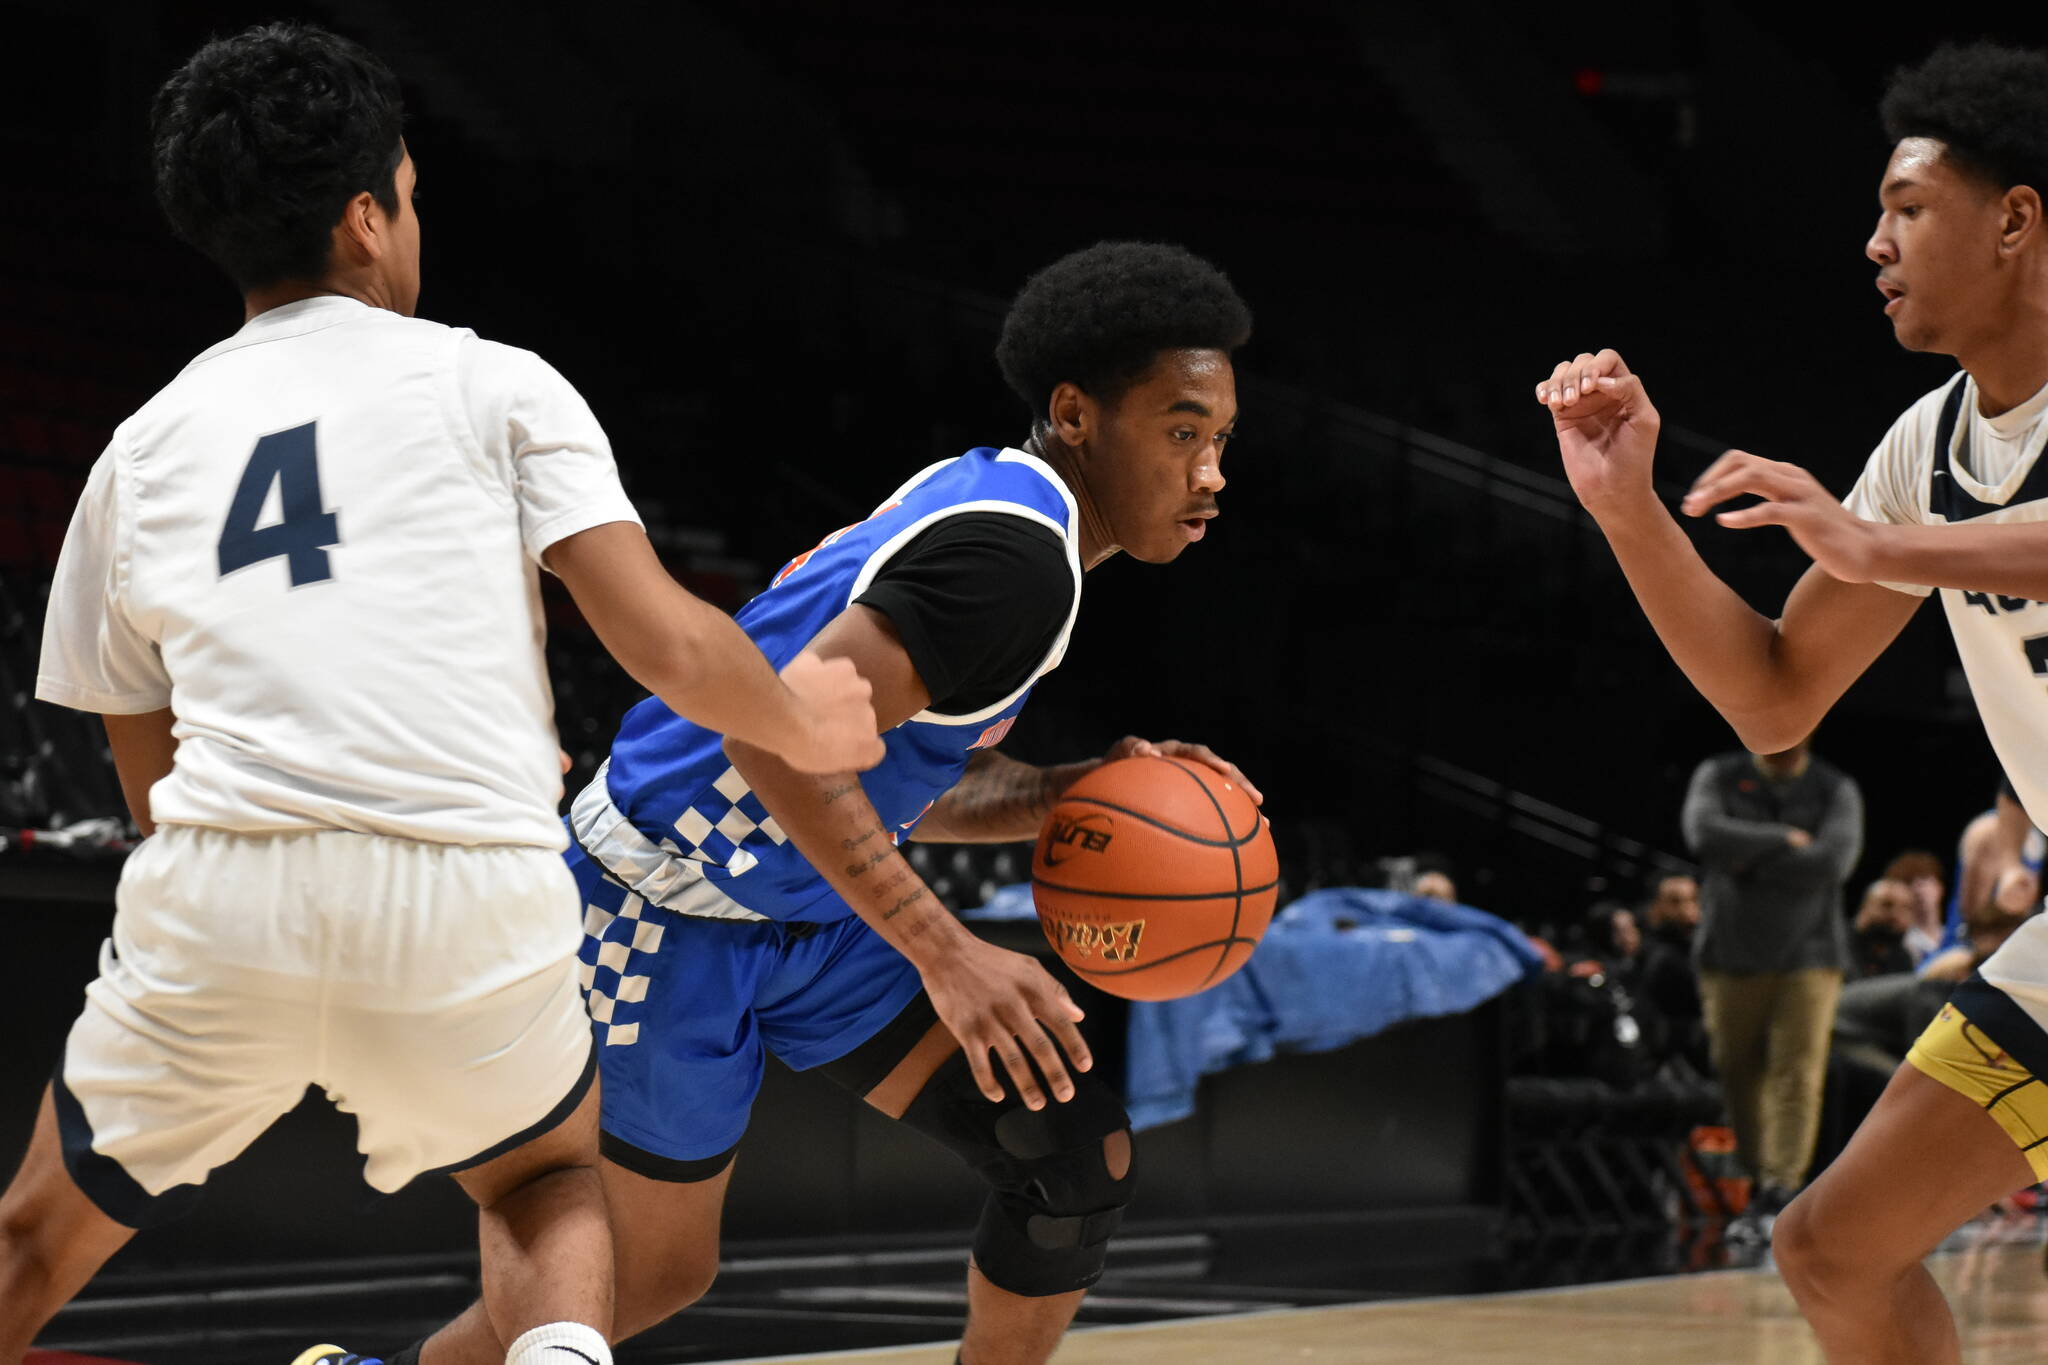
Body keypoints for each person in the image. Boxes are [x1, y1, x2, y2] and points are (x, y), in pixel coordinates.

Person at [0, 24, 882, 1365]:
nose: (415, 222)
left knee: (32, 1237)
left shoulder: (136, 449)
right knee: (544, 1183)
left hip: (226, 884)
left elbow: (146, 770)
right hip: (463, 885)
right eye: (410, 195)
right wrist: (806, 719)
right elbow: (663, 644)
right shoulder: (493, 380)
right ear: (365, 218)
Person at [398, 241, 1258, 1365]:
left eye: (1220, 440)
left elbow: (875, 772)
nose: (1209, 474)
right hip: (654, 914)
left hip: (799, 920)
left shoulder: (1000, 501)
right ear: (1076, 414)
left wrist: (1059, 793)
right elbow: (778, 746)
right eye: (1181, 431)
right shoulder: (1015, 566)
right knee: (651, 1276)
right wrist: (948, 953)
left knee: (1067, 1152)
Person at [1536, 41, 2048, 1362]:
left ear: (2016, 221)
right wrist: (1630, 510)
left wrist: (1882, 549)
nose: (1873, 241)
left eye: (1907, 208)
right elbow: (1776, 697)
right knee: (1832, 1246)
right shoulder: (1928, 448)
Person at [1850, 879, 1920, 980]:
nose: (1896, 916)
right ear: (1864, 907)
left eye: (1905, 908)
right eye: (1887, 905)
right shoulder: (1838, 945)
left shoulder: (1902, 959)